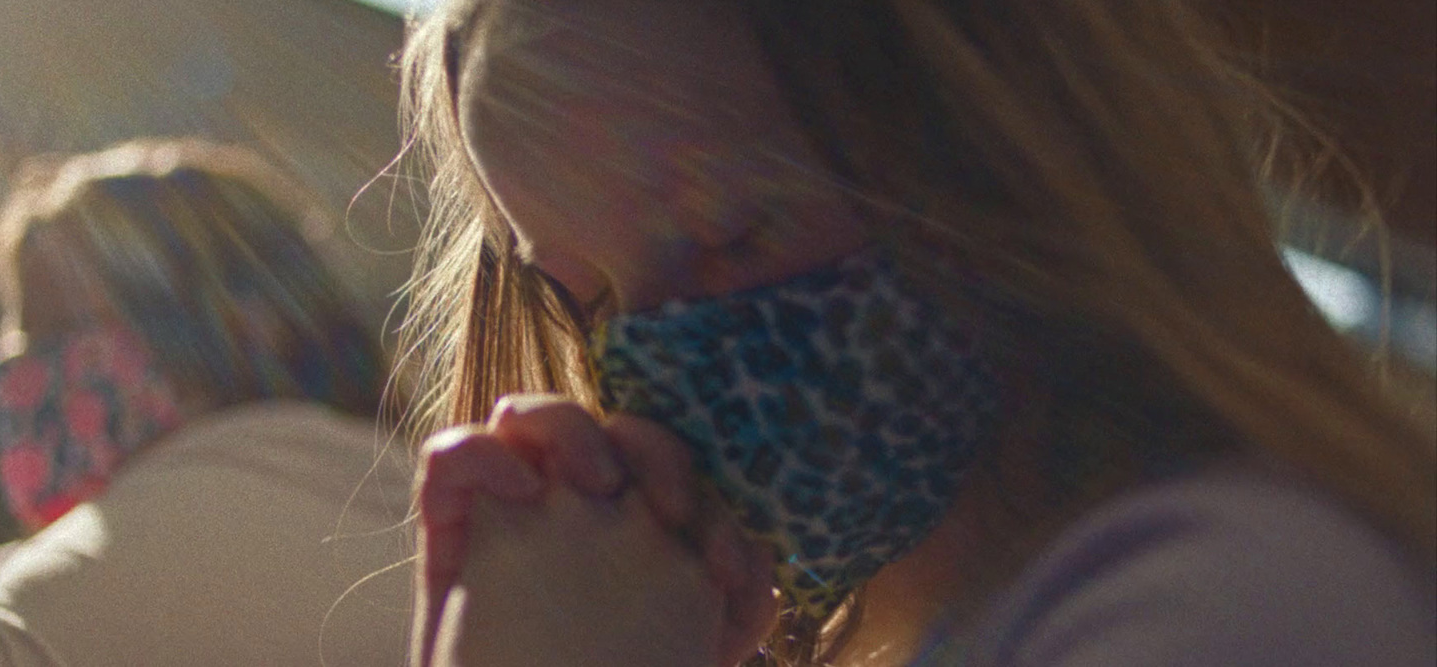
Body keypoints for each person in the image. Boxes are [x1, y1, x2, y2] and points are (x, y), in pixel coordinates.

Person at [392, 1, 1437, 666]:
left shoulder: (1237, 595)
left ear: (1003, 153)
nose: (646, 361)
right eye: (590, 299)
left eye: (728, 236)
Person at [0, 139, 414, 666]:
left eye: (63, 334)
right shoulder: (385, 494)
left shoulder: (235, 500)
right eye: (20, 349)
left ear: (250, 325)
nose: (24, 381)